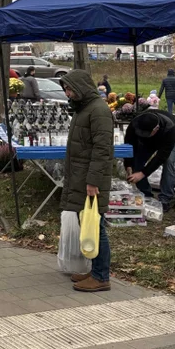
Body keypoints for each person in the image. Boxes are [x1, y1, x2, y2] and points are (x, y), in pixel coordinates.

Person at [60, 69, 113, 293]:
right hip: (81, 176)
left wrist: (93, 181)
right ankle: (96, 270)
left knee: (96, 227)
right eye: (65, 90)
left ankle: (101, 277)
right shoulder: (85, 109)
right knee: (89, 225)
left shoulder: (98, 111)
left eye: (69, 89)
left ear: (80, 87)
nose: (67, 94)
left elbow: (102, 150)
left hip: (90, 180)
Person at [124, 108, 175, 212]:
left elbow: (161, 157)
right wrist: (128, 164)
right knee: (137, 161)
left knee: (168, 162)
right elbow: (129, 144)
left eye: (146, 133)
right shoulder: (136, 123)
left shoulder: (170, 128)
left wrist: (143, 173)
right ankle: (145, 194)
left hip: (174, 139)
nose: (142, 134)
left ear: (156, 128)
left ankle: (165, 199)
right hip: (149, 143)